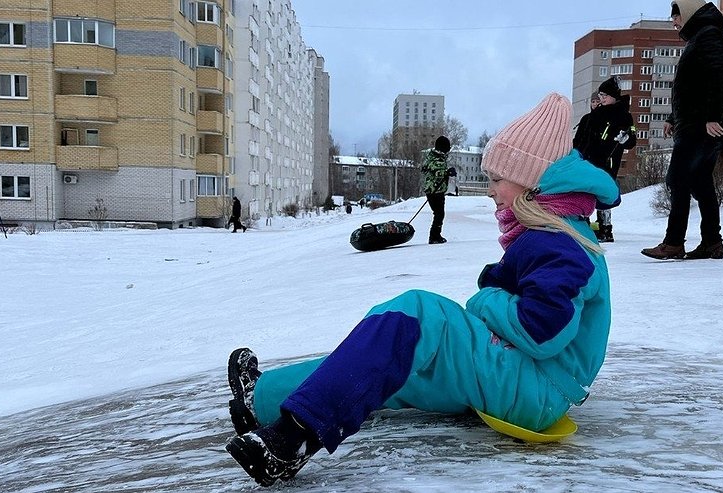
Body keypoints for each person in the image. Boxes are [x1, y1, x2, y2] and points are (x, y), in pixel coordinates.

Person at [223, 93, 621, 487]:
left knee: (416, 314)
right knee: (391, 358)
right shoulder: (550, 233)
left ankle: (293, 440)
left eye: (497, 179)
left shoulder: (562, 242)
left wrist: (488, 298)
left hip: (537, 389)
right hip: (523, 380)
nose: (490, 191)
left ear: (532, 183)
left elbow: (542, 331)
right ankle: (264, 398)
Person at [641, 0, 723, 260]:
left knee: (678, 179)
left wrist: (713, 117)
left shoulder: (709, 37)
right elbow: (691, 86)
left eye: (676, 15)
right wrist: (673, 117)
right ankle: (712, 243)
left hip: (701, 126)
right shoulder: (700, 38)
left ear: (690, 12)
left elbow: (720, 77)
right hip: (694, 123)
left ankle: (673, 243)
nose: (673, 21)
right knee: (701, 182)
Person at [573, 78, 636, 242]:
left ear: (614, 96)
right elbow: (581, 139)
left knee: (603, 193)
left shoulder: (624, 116)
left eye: (604, 95)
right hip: (586, 161)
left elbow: (632, 138)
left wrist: (625, 139)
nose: (601, 99)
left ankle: (605, 227)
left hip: (608, 163)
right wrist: (575, 154)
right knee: (583, 191)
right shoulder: (593, 116)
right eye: (599, 96)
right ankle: (582, 224)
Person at [421, 135, 451, 244]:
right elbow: (436, 171)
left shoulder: (435, 156)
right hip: (434, 190)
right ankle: (434, 236)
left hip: (436, 189)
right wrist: (447, 172)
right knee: (439, 214)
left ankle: (435, 235)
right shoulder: (436, 158)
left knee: (438, 214)